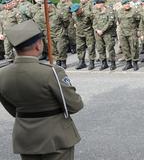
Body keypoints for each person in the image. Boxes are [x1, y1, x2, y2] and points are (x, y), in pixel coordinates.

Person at [0, 20, 84, 159]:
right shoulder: (52, 72)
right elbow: (75, 105)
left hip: (25, 137)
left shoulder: (2, 74)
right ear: (38, 45)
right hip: (55, 137)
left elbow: (12, 110)